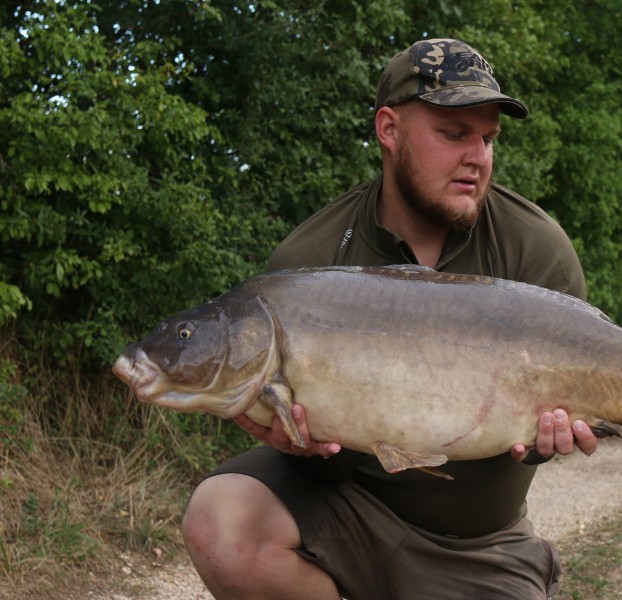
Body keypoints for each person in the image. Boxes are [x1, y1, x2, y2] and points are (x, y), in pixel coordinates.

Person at [182, 38, 598, 600]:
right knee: (220, 520)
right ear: (388, 129)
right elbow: (319, 465)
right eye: (454, 135)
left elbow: (556, 430)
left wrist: (558, 435)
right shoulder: (309, 263)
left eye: (488, 138)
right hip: (343, 516)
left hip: (479, 545)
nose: (477, 157)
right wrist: (296, 442)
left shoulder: (537, 251)